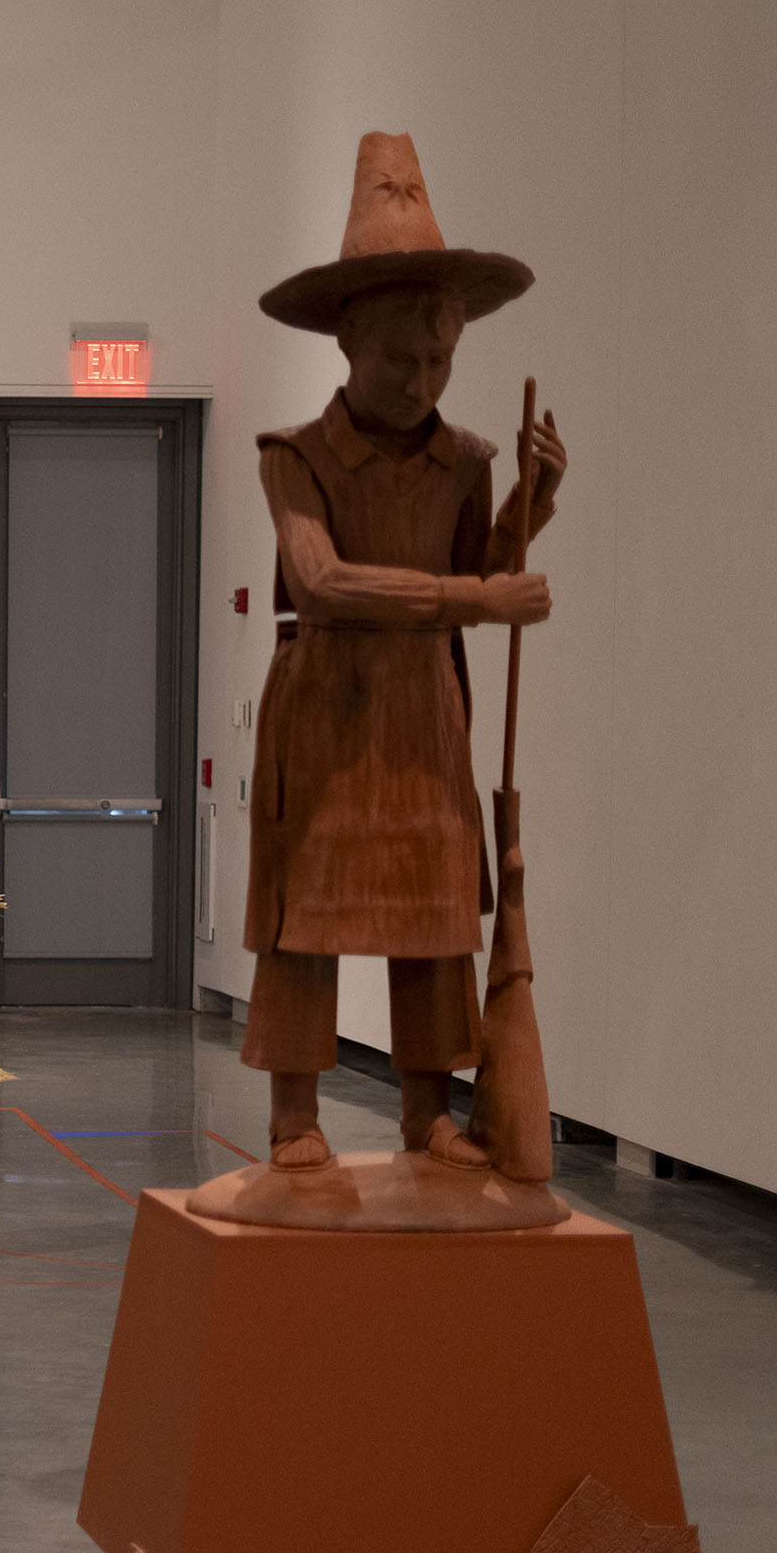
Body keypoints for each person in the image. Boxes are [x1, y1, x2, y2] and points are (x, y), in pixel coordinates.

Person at [244, 133, 565, 1172]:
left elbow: (485, 563)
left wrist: (531, 500)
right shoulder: (296, 460)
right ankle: (296, 1114)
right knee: (307, 920)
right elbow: (323, 579)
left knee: (434, 912)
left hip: (425, 708)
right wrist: (478, 594)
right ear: (347, 342)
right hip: (329, 706)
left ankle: (430, 1105)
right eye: (399, 360)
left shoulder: (462, 460)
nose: (421, 379)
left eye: (439, 361)